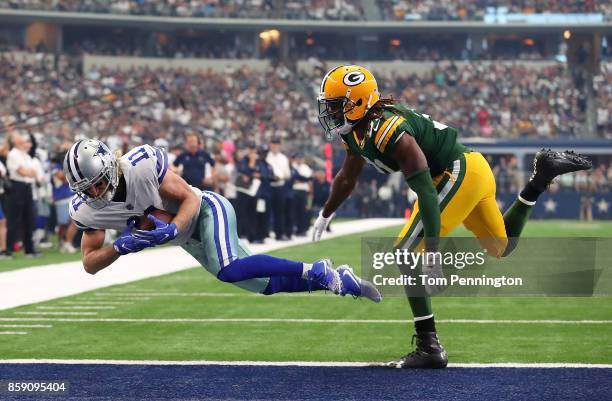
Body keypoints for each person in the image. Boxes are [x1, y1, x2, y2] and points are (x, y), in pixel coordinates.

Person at [312, 65, 592, 368]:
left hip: (456, 172)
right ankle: (540, 178)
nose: (331, 112)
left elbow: (428, 194)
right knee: (501, 246)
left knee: (405, 252)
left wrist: (432, 254)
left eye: (337, 105)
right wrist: (325, 214)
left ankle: (428, 346)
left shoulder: (389, 131)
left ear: (359, 102)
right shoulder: (357, 131)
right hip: (472, 169)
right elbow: (346, 177)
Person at [64, 139, 381, 303]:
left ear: (109, 165)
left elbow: (189, 196)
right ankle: (338, 281)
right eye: (87, 187)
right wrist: (119, 247)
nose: (95, 190)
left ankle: (315, 270)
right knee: (263, 285)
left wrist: (173, 228)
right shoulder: (87, 210)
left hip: (205, 210)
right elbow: (90, 263)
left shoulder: (141, 165)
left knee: (230, 269)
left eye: (98, 181)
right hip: (188, 238)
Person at [5, 133, 40, 258]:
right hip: (17, 187)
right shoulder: (13, 154)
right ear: (14, 140)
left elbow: (33, 172)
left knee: (28, 219)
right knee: (14, 220)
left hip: (27, 187)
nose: (21, 137)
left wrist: (29, 172)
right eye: (18, 136)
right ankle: (8, 250)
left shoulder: (25, 155)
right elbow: (23, 171)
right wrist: (29, 172)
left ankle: (29, 250)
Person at [266, 138, 291, 240]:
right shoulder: (266, 157)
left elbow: (287, 174)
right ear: (270, 145)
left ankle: (279, 234)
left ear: (280, 146)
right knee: (265, 210)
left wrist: (281, 177)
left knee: (279, 212)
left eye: (277, 144)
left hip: (280, 186)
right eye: (273, 144)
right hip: (268, 186)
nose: (275, 146)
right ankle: (264, 233)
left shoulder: (283, 158)